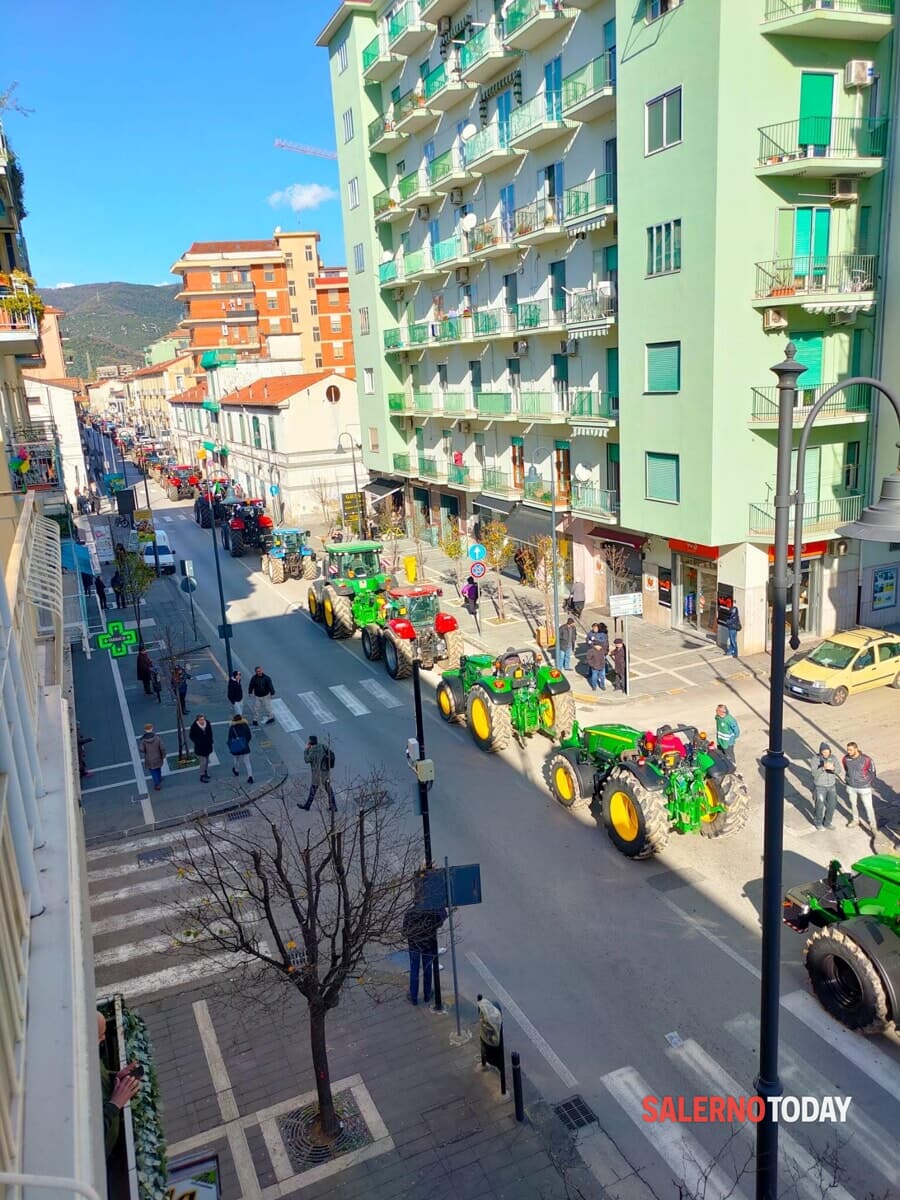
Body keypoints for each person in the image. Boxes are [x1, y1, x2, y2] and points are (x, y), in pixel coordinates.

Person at [97, 1011, 140, 1157]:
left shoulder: (88, 1054)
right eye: (101, 1034)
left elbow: (98, 1074)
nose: (103, 1037)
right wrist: (116, 1103)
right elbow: (93, 1134)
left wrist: (115, 1076)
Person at [402, 902, 446, 1006]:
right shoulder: (432, 912)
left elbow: (404, 932)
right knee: (427, 969)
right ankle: (427, 994)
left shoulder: (410, 913)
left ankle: (413, 997)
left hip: (414, 945)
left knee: (414, 970)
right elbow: (440, 922)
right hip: (428, 944)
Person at [842, 742, 877, 830]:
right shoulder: (845, 759)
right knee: (853, 804)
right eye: (848, 750)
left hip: (864, 787)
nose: (848, 752)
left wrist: (866, 781)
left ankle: (873, 825)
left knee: (868, 806)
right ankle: (855, 820)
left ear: (856, 749)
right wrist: (848, 780)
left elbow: (873, 772)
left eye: (850, 750)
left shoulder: (866, 759)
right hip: (851, 786)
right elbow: (846, 770)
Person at [300, 735, 336, 811]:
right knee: (329, 789)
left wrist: (306, 750)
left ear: (310, 742)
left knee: (313, 790)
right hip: (325, 772)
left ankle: (307, 806)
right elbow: (330, 752)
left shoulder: (312, 751)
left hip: (317, 774)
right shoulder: (323, 746)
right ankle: (333, 806)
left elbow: (307, 760)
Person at [809, 742, 838, 831]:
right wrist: (823, 768)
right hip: (820, 787)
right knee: (820, 805)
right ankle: (818, 822)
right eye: (824, 751)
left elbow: (839, 770)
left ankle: (827, 823)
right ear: (821, 752)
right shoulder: (815, 759)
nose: (826, 753)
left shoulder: (833, 758)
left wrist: (833, 769)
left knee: (832, 805)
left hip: (831, 786)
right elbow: (814, 773)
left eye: (827, 751)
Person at [227, 713, 254, 783]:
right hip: (245, 746)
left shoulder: (232, 728)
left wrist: (230, 746)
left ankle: (236, 770)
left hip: (236, 747)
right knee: (247, 762)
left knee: (236, 760)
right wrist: (245, 743)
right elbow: (249, 736)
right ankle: (250, 776)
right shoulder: (245, 725)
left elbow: (229, 738)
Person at [139, 723, 166, 791]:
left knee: (153, 771)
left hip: (149, 758)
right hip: (158, 757)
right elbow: (162, 747)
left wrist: (146, 750)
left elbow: (141, 749)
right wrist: (163, 755)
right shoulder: (157, 738)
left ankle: (157, 784)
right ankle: (159, 778)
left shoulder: (143, 740)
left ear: (145, 730)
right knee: (158, 768)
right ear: (152, 728)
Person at [189, 714, 214, 783]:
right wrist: (197, 742)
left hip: (207, 745)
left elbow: (210, 733)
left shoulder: (207, 723)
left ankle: (205, 772)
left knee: (206, 760)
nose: (202, 721)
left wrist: (211, 740)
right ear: (198, 720)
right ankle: (202, 775)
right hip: (200, 747)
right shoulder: (194, 726)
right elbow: (191, 736)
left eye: (203, 719)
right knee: (203, 762)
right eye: (201, 719)